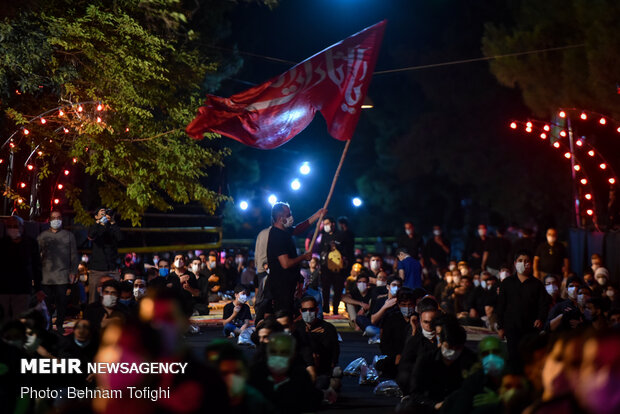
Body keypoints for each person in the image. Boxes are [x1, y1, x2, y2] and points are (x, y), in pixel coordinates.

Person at [404, 316, 477, 412]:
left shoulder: (471, 360)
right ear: (441, 342)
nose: (453, 350)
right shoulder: (426, 360)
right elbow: (416, 393)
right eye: (449, 346)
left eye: (457, 347)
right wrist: (435, 405)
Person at [266, 202, 323, 313]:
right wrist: (303, 257)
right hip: (281, 285)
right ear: (280, 217)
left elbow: (298, 229)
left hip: (288, 283)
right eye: (288, 215)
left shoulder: (285, 231)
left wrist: (316, 215)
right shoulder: (277, 236)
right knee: (283, 313)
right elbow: (285, 263)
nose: (291, 217)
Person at [496, 250, 549, 369]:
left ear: (530, 264)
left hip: (530, 329)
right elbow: (501, 306)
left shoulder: (537, 284)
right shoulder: (507, 283)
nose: (523, 263)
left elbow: (543, 304)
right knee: (513, 358)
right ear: (515, 263)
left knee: (528, 359)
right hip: (511, 328)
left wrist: (540, 318)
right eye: (520, 261)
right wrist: (500, 327)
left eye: (526, 261)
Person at [440, 336, 508, 414]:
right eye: (485, 354)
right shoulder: (473, 382)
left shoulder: (517, 376)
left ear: (504, 353)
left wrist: (500, 402)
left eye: (496, 352)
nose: (491, 357)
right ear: (480, 358)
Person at [37, 210, 79, 333]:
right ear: (49, 220)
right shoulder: (42, 236)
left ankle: (59, 324)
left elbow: (74, 255)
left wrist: (73, 271)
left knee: (62, 303)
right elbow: (36, 255)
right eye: (54, 218)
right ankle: (48, 325)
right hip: (46, 276)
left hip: (62, 276)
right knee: (47, 304)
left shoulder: (69, 235)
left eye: (59, 217)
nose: (56, 220)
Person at [0, 216, 43, 323]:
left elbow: (36, 266)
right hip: (3, 289)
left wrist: (38, 288)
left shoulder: (30, 243)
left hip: (22, 289)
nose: (12, 229)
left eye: (15, 226)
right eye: (9, 226)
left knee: (19, 321)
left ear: (22, 227)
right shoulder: (2, 244)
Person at [293, 296, 340, 390]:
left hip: (323, 367)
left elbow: (334, 351)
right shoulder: (296, 327)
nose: (308, 312)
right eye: (305, 310)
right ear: (300, 311)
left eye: (311, 309)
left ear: (317, 310)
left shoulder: (328, 328)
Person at [397, 300, 440, 393]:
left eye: (433, 322)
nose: (429, 326)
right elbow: (405, 367)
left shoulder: (444, 337)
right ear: (420, 321)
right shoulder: (415, 339)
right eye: (426, 322)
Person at [379, 288, 416, 378]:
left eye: (410, 305)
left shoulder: (418, 319)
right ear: (399, 305)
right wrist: (396, 355)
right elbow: (384, 343)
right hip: (395, 356)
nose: (407, 308)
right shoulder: (391, 318)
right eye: (404, 305)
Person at [87, 207, 121, 303]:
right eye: (101, 213)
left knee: (116, 295)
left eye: (105, 214)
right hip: (97, 268)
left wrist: (113, 222)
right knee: (93, 298)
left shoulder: (112, 227)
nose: (105, 216)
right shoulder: (94, 226)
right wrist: (100, 223)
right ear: (96, 216)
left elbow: (120, 238)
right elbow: (92, 235)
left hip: (112, 267)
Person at [319, 216, 346, 315]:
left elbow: (346, 250)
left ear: (333, 224)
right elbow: (320, 250)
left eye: (327, 224)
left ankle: (335, 309)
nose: (325, 226)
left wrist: (336, 246)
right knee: (325, 289)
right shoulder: (324, 235)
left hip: (338, 269)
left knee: (337, 290)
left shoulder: (341, 235)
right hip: (326, 267)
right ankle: (325, 308)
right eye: (324, 224)